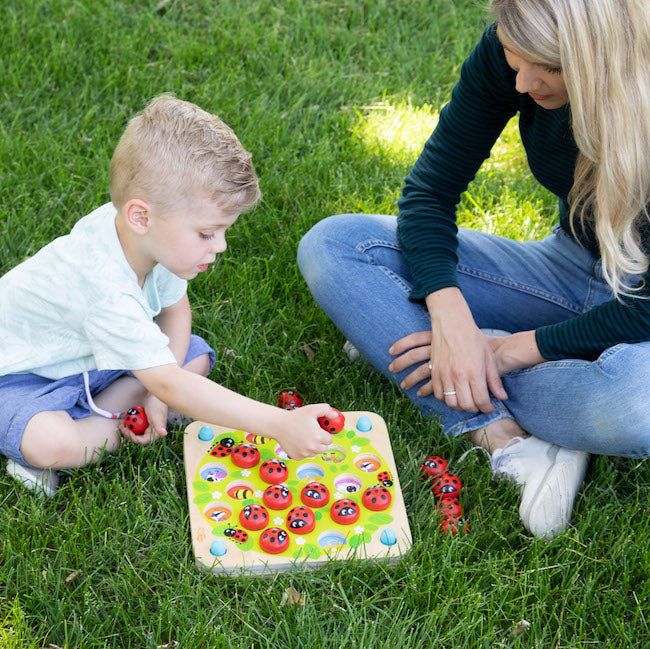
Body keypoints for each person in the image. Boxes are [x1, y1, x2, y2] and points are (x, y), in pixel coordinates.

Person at [298, 0, 650, 539]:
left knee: (635, 406)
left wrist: (506, 351)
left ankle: (433, 358)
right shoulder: (513, 64)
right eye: (516, 56)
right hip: (572, 266)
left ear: (609, 59)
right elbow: (430, 193)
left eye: (551, 67)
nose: (525, 82)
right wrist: (449, 313)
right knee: (336, 246)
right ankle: (505, 436)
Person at [1, 94, 336, 496]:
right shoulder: (104, 288)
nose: (221, 246)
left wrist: (162, 393)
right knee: (53, 444)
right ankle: (99, 424)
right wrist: (278, 424)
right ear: (141, 216)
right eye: (207, 233)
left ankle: (131, 402)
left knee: (193, 356)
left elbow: (176, 311)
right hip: (18, 377)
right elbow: (174, 382)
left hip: (86, 359)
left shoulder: (145, 240)